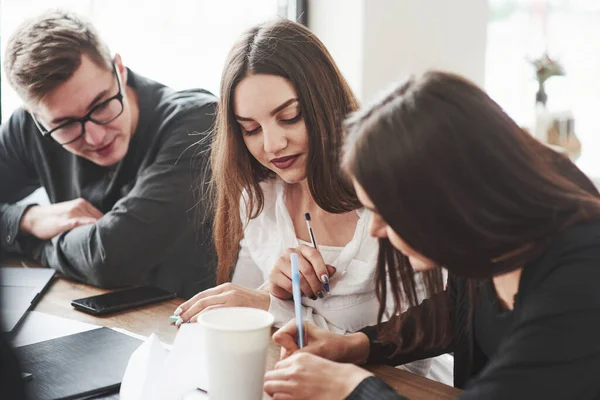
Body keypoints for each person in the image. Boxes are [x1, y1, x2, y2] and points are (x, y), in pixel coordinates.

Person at [264, 71, 600, 400]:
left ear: (445, 198)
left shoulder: (582, 276)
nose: (374, 229)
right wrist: (356, 345)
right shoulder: (490, 234)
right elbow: (458, 311)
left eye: (384, 213)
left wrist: (350, 388)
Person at [172, 19, 444, 378]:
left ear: (324, 103)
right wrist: (274, 292)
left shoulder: (388, 200)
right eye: (251, 129)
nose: (272, 145)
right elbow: (254, 321)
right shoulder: (260, 198)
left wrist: (271, 306)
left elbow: (413, 355)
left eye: (289, 117)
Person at [0, 10, 217, 298]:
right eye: (64, 124)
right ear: (35, 116)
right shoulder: (27, 129)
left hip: (184, 328)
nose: (95, 137)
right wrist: (30, 219)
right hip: (74, 315)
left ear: (120, 69)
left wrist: (31, 239)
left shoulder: (198, 123)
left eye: (101, 104)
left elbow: (112, 259)